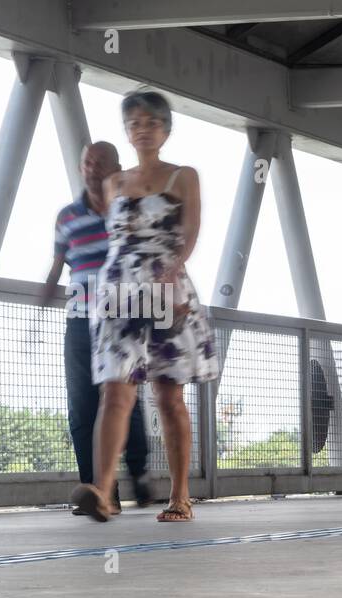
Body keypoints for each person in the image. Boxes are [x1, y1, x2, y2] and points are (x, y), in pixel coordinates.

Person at [71, 90, 219, 523]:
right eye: (134, 122)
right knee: (115, 390)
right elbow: (113, 240)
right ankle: (101, 491)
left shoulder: (183, 176)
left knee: (168, 395)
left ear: (166, 130)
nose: (142, 129)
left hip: (166, 286)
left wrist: (172, 276)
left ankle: (180, 496)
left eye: (151, 122)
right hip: (118, 291)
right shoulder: (113, 184)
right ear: (127, 132)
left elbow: (190, 233)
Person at [41, 142, 151, 515]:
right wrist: (44, 295)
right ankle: (99, 492)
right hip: (79, 321)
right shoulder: (66, 216)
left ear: (116, 168)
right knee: (82, 408)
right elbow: (58, 264)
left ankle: (140, 472)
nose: (92, 167)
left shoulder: (128, 212)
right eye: (86, 161)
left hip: (122, 319)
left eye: (100, 162)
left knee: (124, 401)